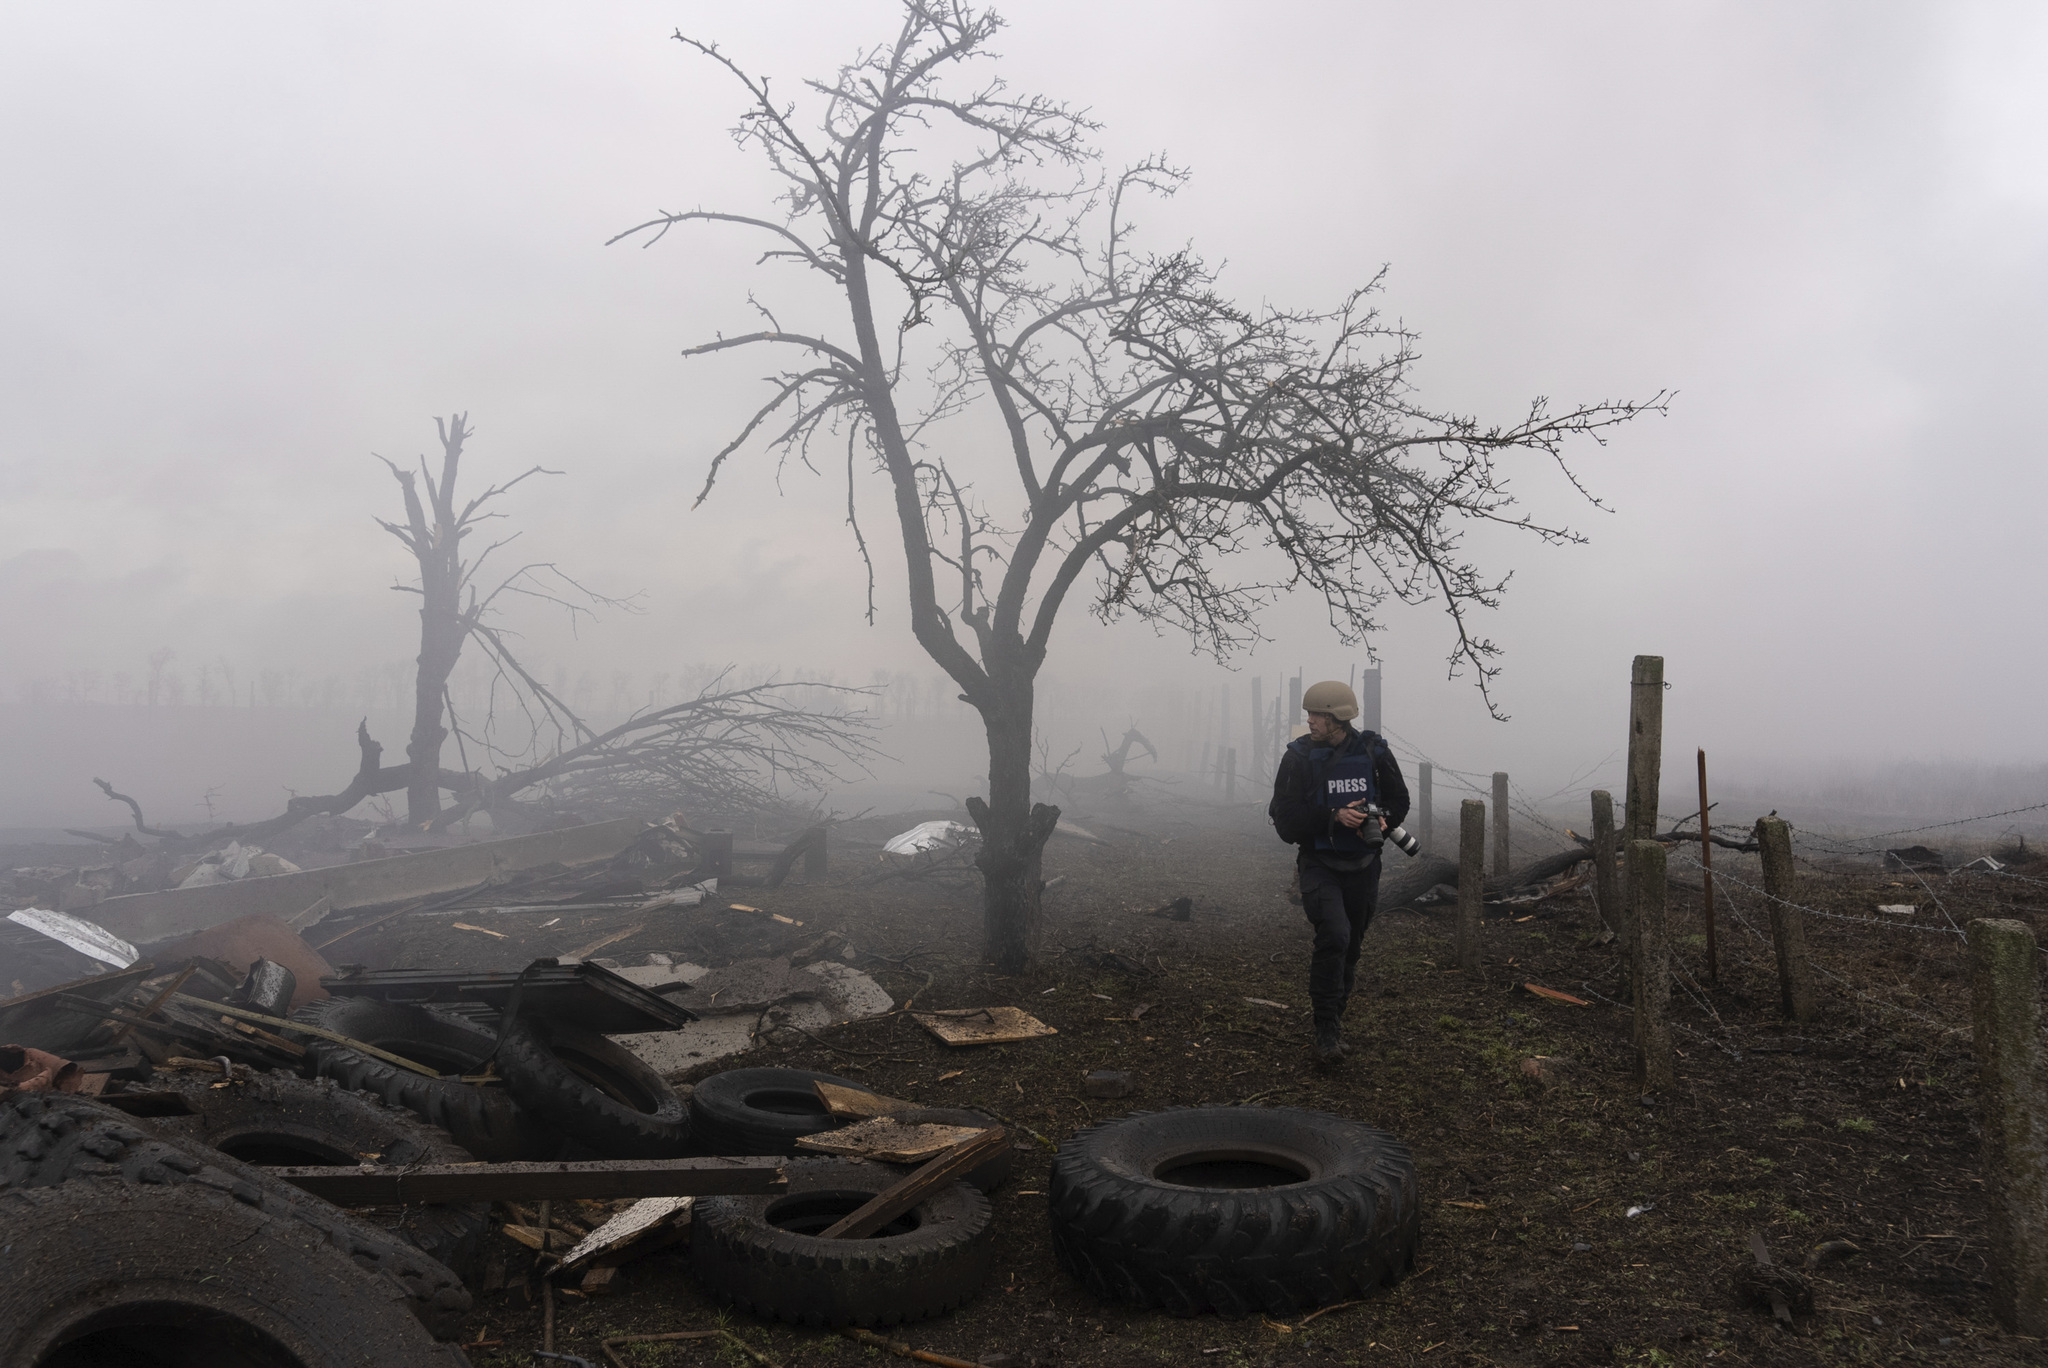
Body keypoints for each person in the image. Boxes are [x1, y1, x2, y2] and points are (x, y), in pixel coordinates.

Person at [1267, 679, 1409, 1064]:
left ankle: (1336, 1018)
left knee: (1353, 945)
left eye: (1318, 715)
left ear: (1339, 719)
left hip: (1364, 865)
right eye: (1309, 714)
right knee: (1335, 934)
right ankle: (1325, 1028)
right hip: (1318, 864)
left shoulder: (1373, 751)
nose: (1309, 721)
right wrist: (1332, 816)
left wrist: (1379, 819)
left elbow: (1399, 800)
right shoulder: (1297, 758)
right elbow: (1285, 821)